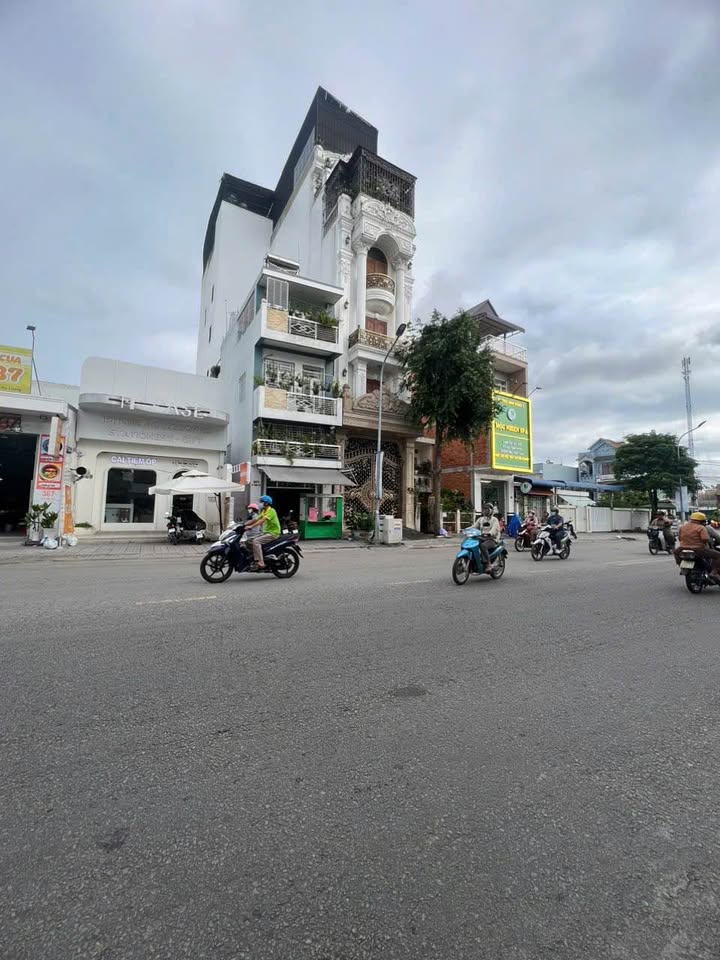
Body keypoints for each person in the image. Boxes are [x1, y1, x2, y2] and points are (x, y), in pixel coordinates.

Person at [675, 512, 720, 580]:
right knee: (718, 555)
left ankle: (682, 568)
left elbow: (680, 538)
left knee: (676, 553)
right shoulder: (701, 527)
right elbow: (705, 538)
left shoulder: (682, 527)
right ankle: (714, 572)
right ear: (701, 521)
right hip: (698, 549)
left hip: (682, 548)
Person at [245, 494, 281, 569]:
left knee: (256, 541)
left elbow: (262, 520)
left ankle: (261, 562)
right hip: (266, 533)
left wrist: (251, 526)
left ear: (266, 503)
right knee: (248, 541)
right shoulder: (264, 511)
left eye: (262, 502)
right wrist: (243, 524)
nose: (260, 503)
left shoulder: (271, 511)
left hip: (273, 533)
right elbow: (255, 519)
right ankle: (255, 557)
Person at [478, 504, 501, 573]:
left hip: (492, 539)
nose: (485, 510)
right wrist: (466, 529)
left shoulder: (494, 520)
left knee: (483, 546)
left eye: (487, 509)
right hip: (482, 537)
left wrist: (489, 533)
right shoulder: (481, 519)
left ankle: (488, 564)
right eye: (484, 509)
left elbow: (494, 529)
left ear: (491, 510)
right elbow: (474, 526)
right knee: (472, 543)